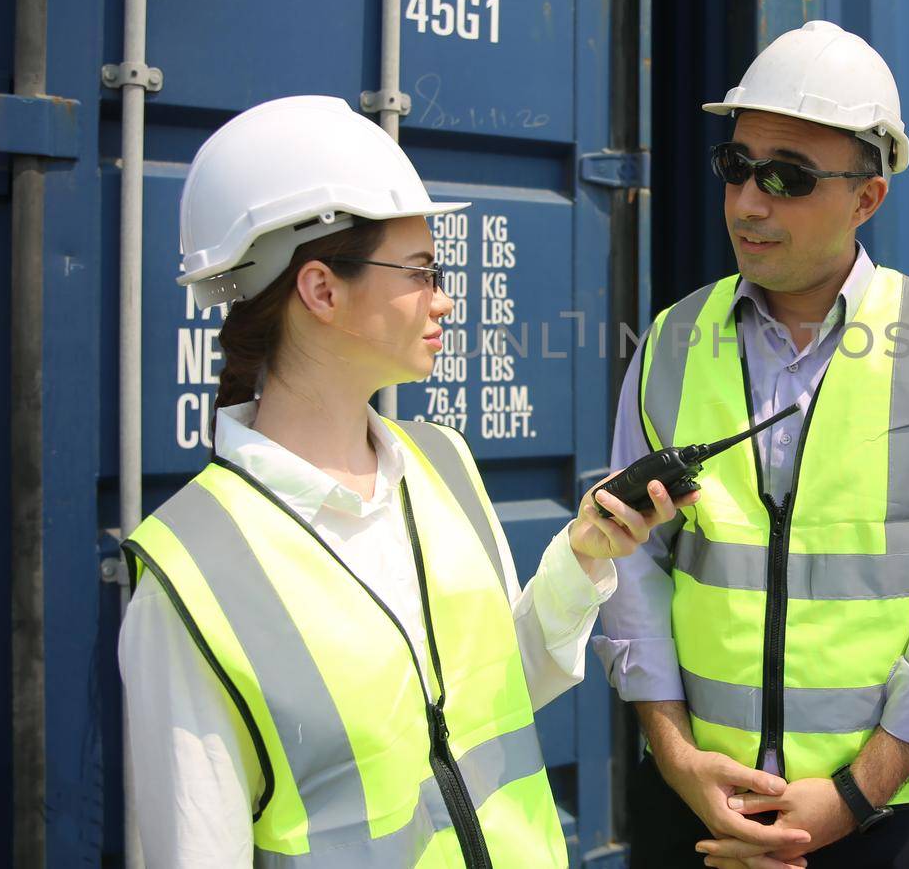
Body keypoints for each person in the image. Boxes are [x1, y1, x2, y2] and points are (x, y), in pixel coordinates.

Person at [118, 95, 690, 868]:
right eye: (421, 272)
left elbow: (476, 707)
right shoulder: (189, 577)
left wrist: (582, 556)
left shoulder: (442, 463)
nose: (445, 298)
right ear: (320, 290)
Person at [593, 22, 909, 869]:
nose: (748, 202)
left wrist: (850, 799)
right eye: (736, 166)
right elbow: (630, 566)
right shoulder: (671, 343)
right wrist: (682, 762)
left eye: (786, 177)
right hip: (692, 808)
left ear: (867, 198)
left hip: (884, 824)